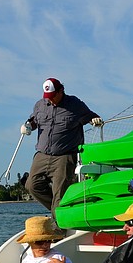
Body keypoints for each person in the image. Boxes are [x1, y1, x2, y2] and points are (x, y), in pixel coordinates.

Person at [22, 78, 103, 214]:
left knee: (60, 194)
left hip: (64, 157)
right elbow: (34, 121)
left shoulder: (75, 104)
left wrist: (95, 120)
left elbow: (91, 116)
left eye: (53, 96)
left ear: (61, 91)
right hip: (41, 155)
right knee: (32, 186)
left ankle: (59, 226)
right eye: (48, 97)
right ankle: (62, 211)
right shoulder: (39, 105)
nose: (50, 100)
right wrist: (28, 126)